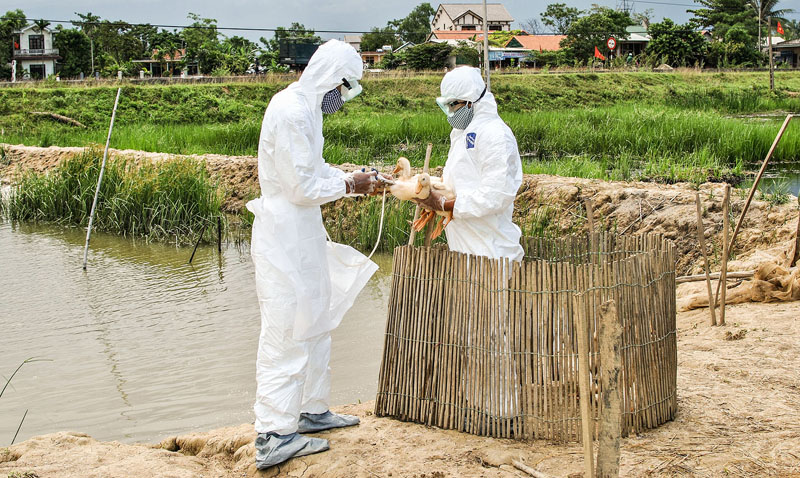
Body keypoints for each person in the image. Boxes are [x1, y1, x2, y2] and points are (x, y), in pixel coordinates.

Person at [245, 39, 380, 469]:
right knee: (287, 330)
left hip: (304, 235)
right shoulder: (289, 110)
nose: (343, 98)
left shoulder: (308, 111)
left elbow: (314, 169)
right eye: (345, 89)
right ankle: (274, 434)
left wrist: (348, 175)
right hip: (284, 236)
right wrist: (348, 186)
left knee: (316, 321)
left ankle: (312, 410)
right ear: (330, 80)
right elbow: (300, 188)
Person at [416, 66, 523, 262]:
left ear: (470, 102)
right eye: (445, 106)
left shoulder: (495, 135)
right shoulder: (461, 133)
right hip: (465, 248)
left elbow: (496, 195)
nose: (450, 112)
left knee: (489, 292)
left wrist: (445, 205)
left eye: (453, 105)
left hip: (491, 251)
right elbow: (461, 181)